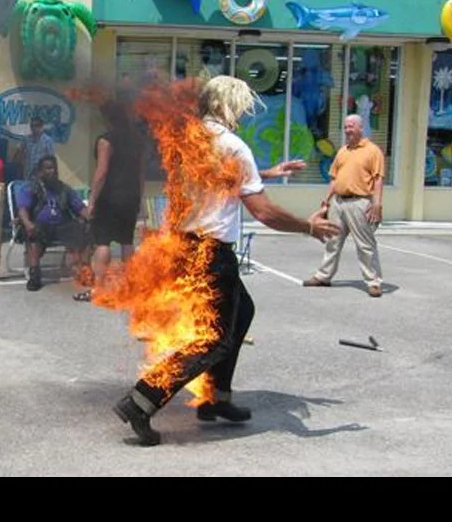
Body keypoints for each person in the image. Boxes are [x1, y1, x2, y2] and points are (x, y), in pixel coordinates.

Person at [113, 76, 339, 446]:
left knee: (243, 312)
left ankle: (216, 399)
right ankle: (142, 400)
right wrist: (308, 228)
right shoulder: (234, 146)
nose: (245, 114)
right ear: (228, 105)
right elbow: (264, 212)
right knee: (213, 339)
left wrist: (266, 174)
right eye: (243, 107)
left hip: (183, 246)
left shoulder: (192, 139)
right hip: (209, 251)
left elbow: (215, 181)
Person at [303, 114, 387, 297]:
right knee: (332, 242)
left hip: (360, 202)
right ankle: (323, 276)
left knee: (365, 245)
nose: (347, 130)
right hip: (338, 203)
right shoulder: (342, 151)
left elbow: (378, 180)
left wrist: (377, 204)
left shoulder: (373, 151)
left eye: (351, 127)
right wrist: (327, 200)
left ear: (360, 128)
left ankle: (374, 282)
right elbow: (334, 178)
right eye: (345, 127)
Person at [76, 98, 146, 302]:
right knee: (126, 241)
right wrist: (139, 199)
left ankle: (98, 289)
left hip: (110, 196)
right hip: (130, 197)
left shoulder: (105, 140)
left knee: (102, 241)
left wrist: (92, 200)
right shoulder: (137, 140)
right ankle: (131, 287)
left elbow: (102, 172)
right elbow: (141, 173)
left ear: (108, 117)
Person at [15, 155, 89, 291]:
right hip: (39, 226)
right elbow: (22, 209)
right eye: (48, 168)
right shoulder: (32, 188)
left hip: (62, 226)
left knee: (81, 229)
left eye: (54, 168)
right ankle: (35, 274)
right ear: (40, 172)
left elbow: (80, 208)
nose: (53, 171)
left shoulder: (64, 189)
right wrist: (27, 223)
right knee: (33, 235)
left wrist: (91, 219)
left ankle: (81, 271)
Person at [12, 117, 56, 181]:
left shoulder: (48, 141)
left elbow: (51, 158)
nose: (34, 128)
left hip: (40, 171)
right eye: (32, 126)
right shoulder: (27, 139)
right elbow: (20, 151)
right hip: (27, 171)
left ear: (41, 127)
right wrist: (16, 164)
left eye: (36, 125)